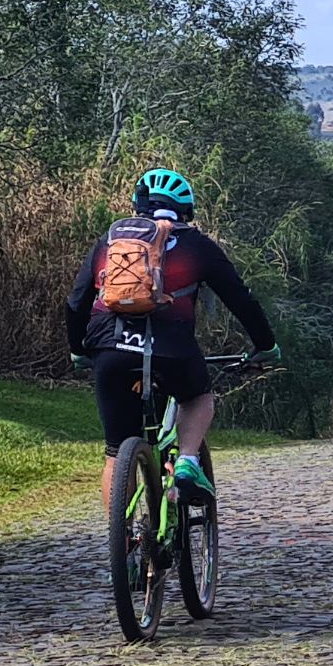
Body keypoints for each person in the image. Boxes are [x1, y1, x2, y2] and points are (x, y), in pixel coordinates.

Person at [66, 168, 280, 506]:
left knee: (114, 451)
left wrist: (79, 350)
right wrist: (265, 345)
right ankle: (186, 461)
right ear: (185, 211)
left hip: (110, 347)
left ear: (138, 208)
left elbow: (76, 303)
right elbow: (242, 301)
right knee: (197, 397)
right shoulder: (198, 246)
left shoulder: (110, 242)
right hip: (171, 349)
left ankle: (123, 546)